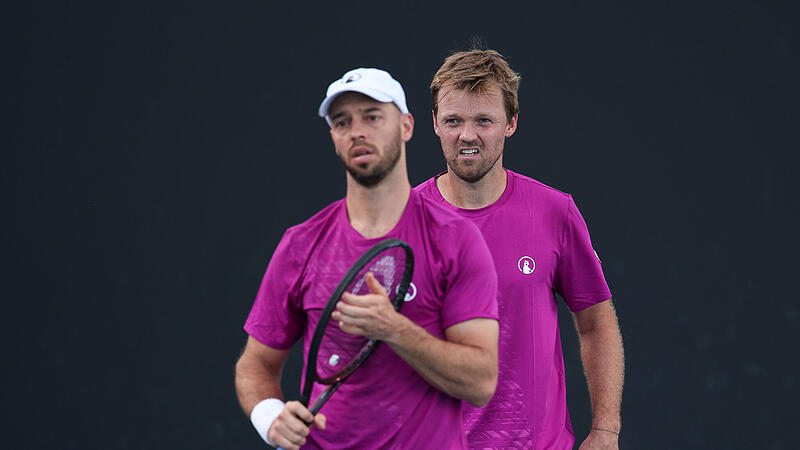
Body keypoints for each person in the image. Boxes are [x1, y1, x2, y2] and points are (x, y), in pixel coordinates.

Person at [235, 67, 500, 450]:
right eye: (342, 122)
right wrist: (269, 415)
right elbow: (255, 364)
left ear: (406, 126)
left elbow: (480, 382)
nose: (357, 131)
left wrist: (394, 329)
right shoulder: (301, 244)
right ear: (334, 138)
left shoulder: (456, 240)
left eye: (372, 117)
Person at [416, 49, 625, 449]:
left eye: (484, 121)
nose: (468, 135)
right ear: (435, 124)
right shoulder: (404, 222)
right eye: (454, 121)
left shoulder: (554, 212)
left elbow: (596, 322)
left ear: (510, 123)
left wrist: (604, 430)